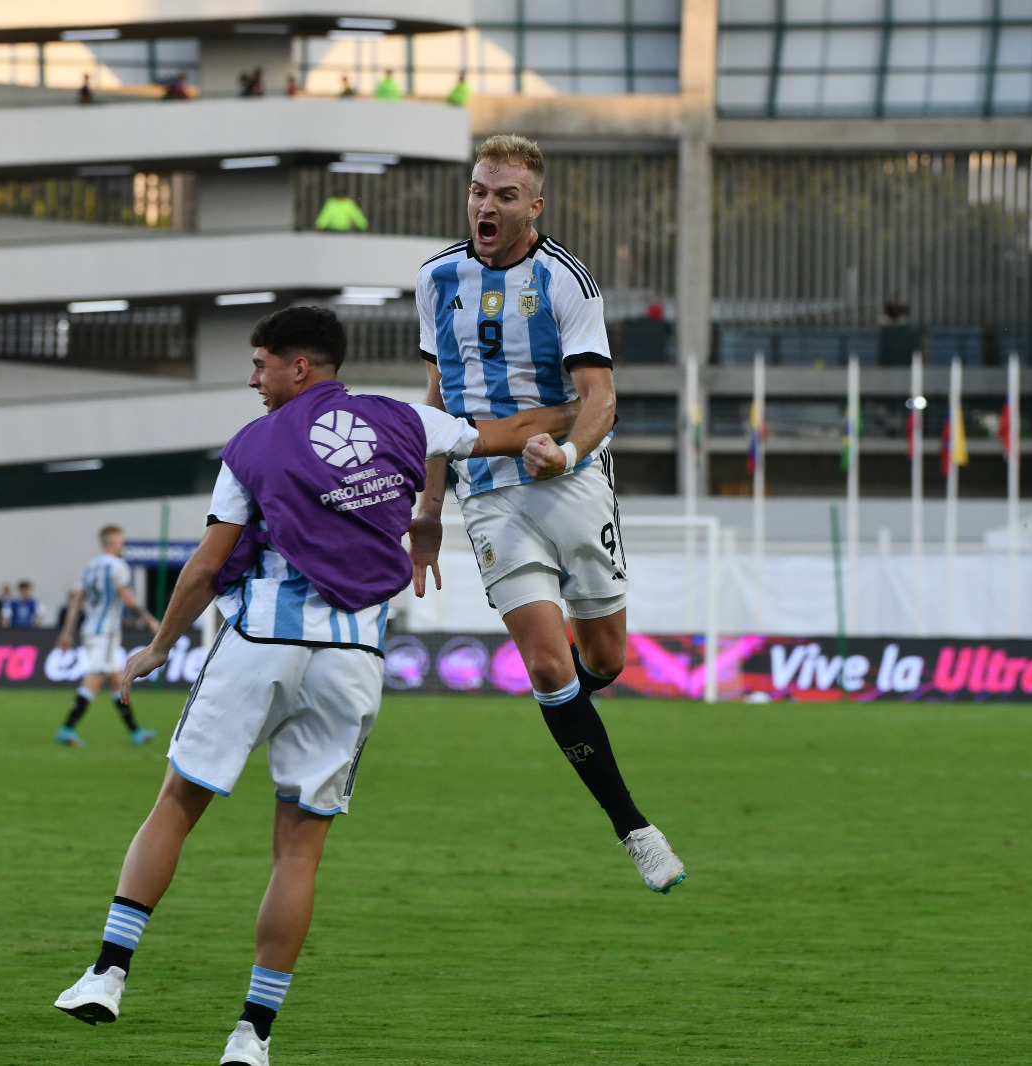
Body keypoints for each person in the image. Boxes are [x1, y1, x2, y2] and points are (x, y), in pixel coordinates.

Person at [52, 306, 577, 1066]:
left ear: (300, 368)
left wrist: (158, 647)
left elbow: (205, 566)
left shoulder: (252, 445)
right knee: (298, 852)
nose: (252, 379)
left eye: (261, 364)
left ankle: (107, 974)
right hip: (354, 657)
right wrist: (581, 407)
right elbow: (497, 433)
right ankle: (251, 1036)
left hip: (262, 639)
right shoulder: (404, 419)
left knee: (179, 800)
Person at [409, 134, 684, 892]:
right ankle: (635, 829)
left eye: (502, 196)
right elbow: (436, 405)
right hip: (489, 494)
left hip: (571, 480)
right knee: (545, 663)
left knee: (604, 660)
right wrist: (428, 509)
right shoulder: (436, 278)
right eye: (477, 191)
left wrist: (564, 453)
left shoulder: (567, 281)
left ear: (535, 205)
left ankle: (569, 717)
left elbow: (599, 398)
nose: (485, 206)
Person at [55, 527, 160, 746]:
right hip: (106, 632)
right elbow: (129, 601)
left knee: (116, 680)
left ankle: (136, 732)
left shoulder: (89, 567)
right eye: (121, 541)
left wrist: (67, 632)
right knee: (96, 676)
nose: (123, 545)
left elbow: (76, 601)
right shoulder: (118, 566)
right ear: (112, 542)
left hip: (90, 630)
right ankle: (67, 728)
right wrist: (150, 620)